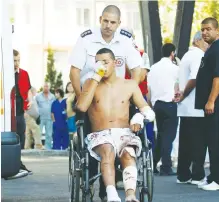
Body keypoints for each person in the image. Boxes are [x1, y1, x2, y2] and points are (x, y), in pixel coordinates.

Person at [68, 5, 145, 201]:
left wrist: (128, 90)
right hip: (91, 91)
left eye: (113, 23)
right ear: (100, 19)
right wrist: (82, 96)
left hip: (117, 94)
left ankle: (118, 188)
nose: (108, 26)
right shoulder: (86, 38)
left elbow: (138, 69)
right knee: (99, 143)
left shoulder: (126, 39)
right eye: (105, 21)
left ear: (119, 23)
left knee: (124, 143)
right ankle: (97, 178)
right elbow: (74, 71)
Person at [76, 48, 155, 202]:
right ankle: (112, 196)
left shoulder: (130, 84)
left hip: (124, 132)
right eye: (98, 62)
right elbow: (81, 107)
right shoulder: (89, 83)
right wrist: (96, 78)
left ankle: (130, 195)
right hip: (100, 134)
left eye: (105, 62)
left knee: (128, 153)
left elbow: (148, 111)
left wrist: (138, 117)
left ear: (115, 63)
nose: (102, 66)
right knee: (108, 151)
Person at [195, 17, 219, 191]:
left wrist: (211, 100)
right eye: (202, 29)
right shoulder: (214, 48)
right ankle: (215, 177)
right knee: (213, 140)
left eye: (208, 29)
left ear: (217, 30)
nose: (204, 32)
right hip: (213, 103)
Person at [174, 31, 208, 185]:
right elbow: (194, 78)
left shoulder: (187, 55)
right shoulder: (198, 56)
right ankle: (198, 175)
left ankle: (183, 174)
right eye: (206, 41)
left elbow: (178, 80)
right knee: (198, 143)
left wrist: (179, 94)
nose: (208, 44)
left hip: (185, 108)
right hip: (195, 106)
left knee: (186, 143)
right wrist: (184, 94)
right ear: (199, 40)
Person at [147, 43, 179, 176]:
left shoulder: (153, 68)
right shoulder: (175, 68)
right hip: (170, 104)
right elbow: (179, 86)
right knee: (168, 136)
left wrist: (150, 104)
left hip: (157, 105)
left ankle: (153, 163)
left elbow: (148, 89)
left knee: (160, 135)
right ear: (173, 53)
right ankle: (166, 166)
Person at [11, 49, 33, 174]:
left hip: (20, 111)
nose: (17, 63)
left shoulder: (24, 73)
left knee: (20, 138)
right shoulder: (4, 73)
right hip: (8, 112)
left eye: (18, 60)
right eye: (14, 61)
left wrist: (30, 100)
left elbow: (29, 90)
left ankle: (18, 164)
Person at [36, 82, 55, 150]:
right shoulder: (38, 96)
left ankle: (48, 148)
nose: (46, 87)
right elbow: (35, 106)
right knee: (38, 133)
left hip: (49, 118)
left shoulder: (52, 96)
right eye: (44, 86)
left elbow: (54, 107)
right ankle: (38, 148)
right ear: (42, 87)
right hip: (40, 118)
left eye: (47, 86)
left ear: (49, 87)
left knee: (49, 134)